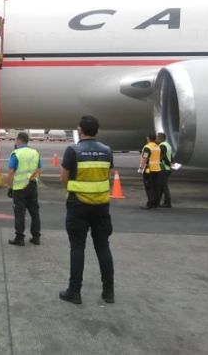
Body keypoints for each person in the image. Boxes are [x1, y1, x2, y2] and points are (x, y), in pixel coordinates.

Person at [59, 115, 115, 304]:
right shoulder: (107, 151)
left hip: (78, 206)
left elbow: (64, 178)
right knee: (103, 247)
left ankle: (74, 291)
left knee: (77, 247)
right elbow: (107, 175)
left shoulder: (73, 150)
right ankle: (108, 292)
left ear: (79, 130)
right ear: (97, 131)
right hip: (101, 206)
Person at [7, 132, 42, 246]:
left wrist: (9, 187)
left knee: (20, 213)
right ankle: (36, 237)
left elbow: (11, 172)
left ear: (18, 140)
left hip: (19, 189)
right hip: (32, 186)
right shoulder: (35, 153)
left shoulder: (16, 153)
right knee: (34, 212)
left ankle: (19, 238)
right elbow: (39, 170)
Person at [138, 134, 162, 209]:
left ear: (148, 139)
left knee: (149, 187)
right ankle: (156, 203)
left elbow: (145, 157)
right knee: (155, 187)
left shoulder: (147, 147)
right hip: (157, 169)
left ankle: (150, 203)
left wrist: (141, 167)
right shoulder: (157, 147)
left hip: (149, 169)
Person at [157, 132, 174, 208]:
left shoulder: (162, 146)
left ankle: (167, 202)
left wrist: (168, 163)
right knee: (161, 185)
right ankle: (158, 201)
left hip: (164, 168)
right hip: (167, 169)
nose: (156, 139)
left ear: (160, 138)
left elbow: (163, 157)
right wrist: (172, 163)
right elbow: (171, 156)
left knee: (164, 186)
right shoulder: (168, 145)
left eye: (157, 137)